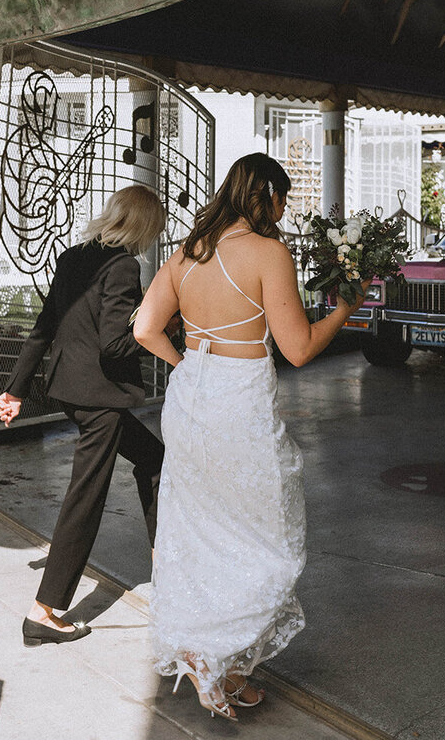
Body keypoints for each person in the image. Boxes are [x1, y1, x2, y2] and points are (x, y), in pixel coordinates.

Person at [132, 153, 362, 721]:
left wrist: (185, 363)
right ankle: (216, 658)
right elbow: (299, 348)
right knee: (266, 540)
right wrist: (344, 312)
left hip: (190, 398)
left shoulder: (188, 253)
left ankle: (216, 658)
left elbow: (143, 328)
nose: (284, 212)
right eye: (283, 200)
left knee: (200, 529)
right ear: (268, 197)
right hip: (238, 401)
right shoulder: (266, 253)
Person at [0, 185, 169, 647]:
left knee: (154, 459)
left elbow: (44, 327)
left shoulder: (75, 256)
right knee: (85, 499)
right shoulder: (124, 265)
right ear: (144, 225)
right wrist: (161, 320)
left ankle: (166, 563)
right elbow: (116, 344)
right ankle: (44, 610)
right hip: (100, 399)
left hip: (72, 392)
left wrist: (14, 390)